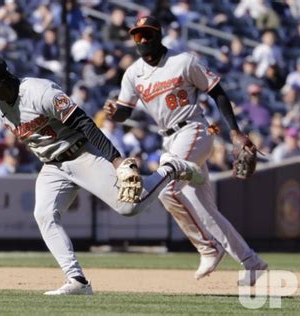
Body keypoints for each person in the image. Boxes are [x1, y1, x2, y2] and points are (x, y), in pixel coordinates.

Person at [0, 52, 204, 295]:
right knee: (44, 215)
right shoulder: (0, 109)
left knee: (129, 207)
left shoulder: (39, 92)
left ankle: (171, 168)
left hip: (81, 154)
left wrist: (117, 160)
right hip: (53, 166)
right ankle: (77, 280)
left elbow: (85, 123)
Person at [103, 16, 267, 286]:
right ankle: (252, 262)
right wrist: (114, 112)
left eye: (147, 34)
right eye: (137, 35)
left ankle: (207, 248)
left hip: (193, 130)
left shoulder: (184, 61)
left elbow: (217, 91)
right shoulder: (133, 73)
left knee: (167, 189)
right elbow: (124, 112)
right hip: (169, 139)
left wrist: (235, 132)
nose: (143, 40)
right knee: (205, 210)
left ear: (159, 34)